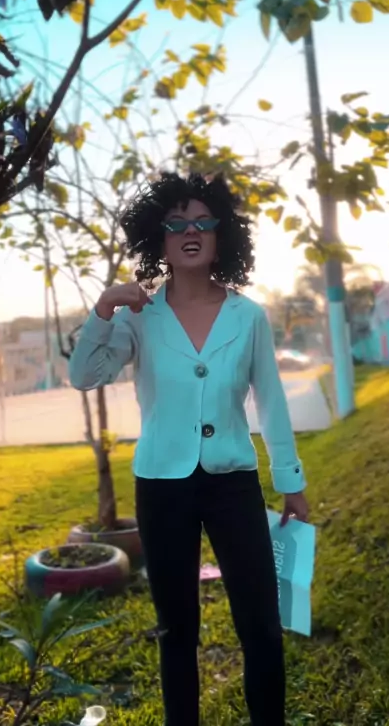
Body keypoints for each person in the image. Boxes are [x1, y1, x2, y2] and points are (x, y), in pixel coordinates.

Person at [69, 172, 309, 726]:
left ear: (224, 237)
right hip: (161, 487)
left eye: (204, 222)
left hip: (233, 484)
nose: (190, 232)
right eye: (176, 224)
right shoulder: (139, 316)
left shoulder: (249, 316)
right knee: (176, 630)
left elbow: (271, 401)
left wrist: (290, 482)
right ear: (160, 239)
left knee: (261, 625)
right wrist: (103, 309)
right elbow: (84, 375)